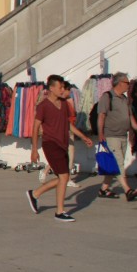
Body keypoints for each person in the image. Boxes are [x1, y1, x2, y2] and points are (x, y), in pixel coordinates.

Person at [27, 75, 93, 222]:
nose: (63, 90)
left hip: (63, 144)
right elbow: (36, 126)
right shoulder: (43, 106)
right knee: (64, 177)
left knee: (62, 178)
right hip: (51, 144)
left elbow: (68, 125)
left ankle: (35, 194)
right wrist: (34, 150)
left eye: (63, 87)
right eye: (60, 87)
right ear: (51, 88)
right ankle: (60, 212)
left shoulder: (64, 104)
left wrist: (83, 137)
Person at [97, 72, 137, 201]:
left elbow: (130, 117)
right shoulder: (107, 97)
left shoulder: (124, 99)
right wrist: (100, 133)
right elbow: (101, 116)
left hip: (123, 136)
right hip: (111, 136)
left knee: (116, 165)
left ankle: (104, 189)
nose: (128, 85)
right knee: (118, 164)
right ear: (119, 83)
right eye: (127, 83)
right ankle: (127, 190)